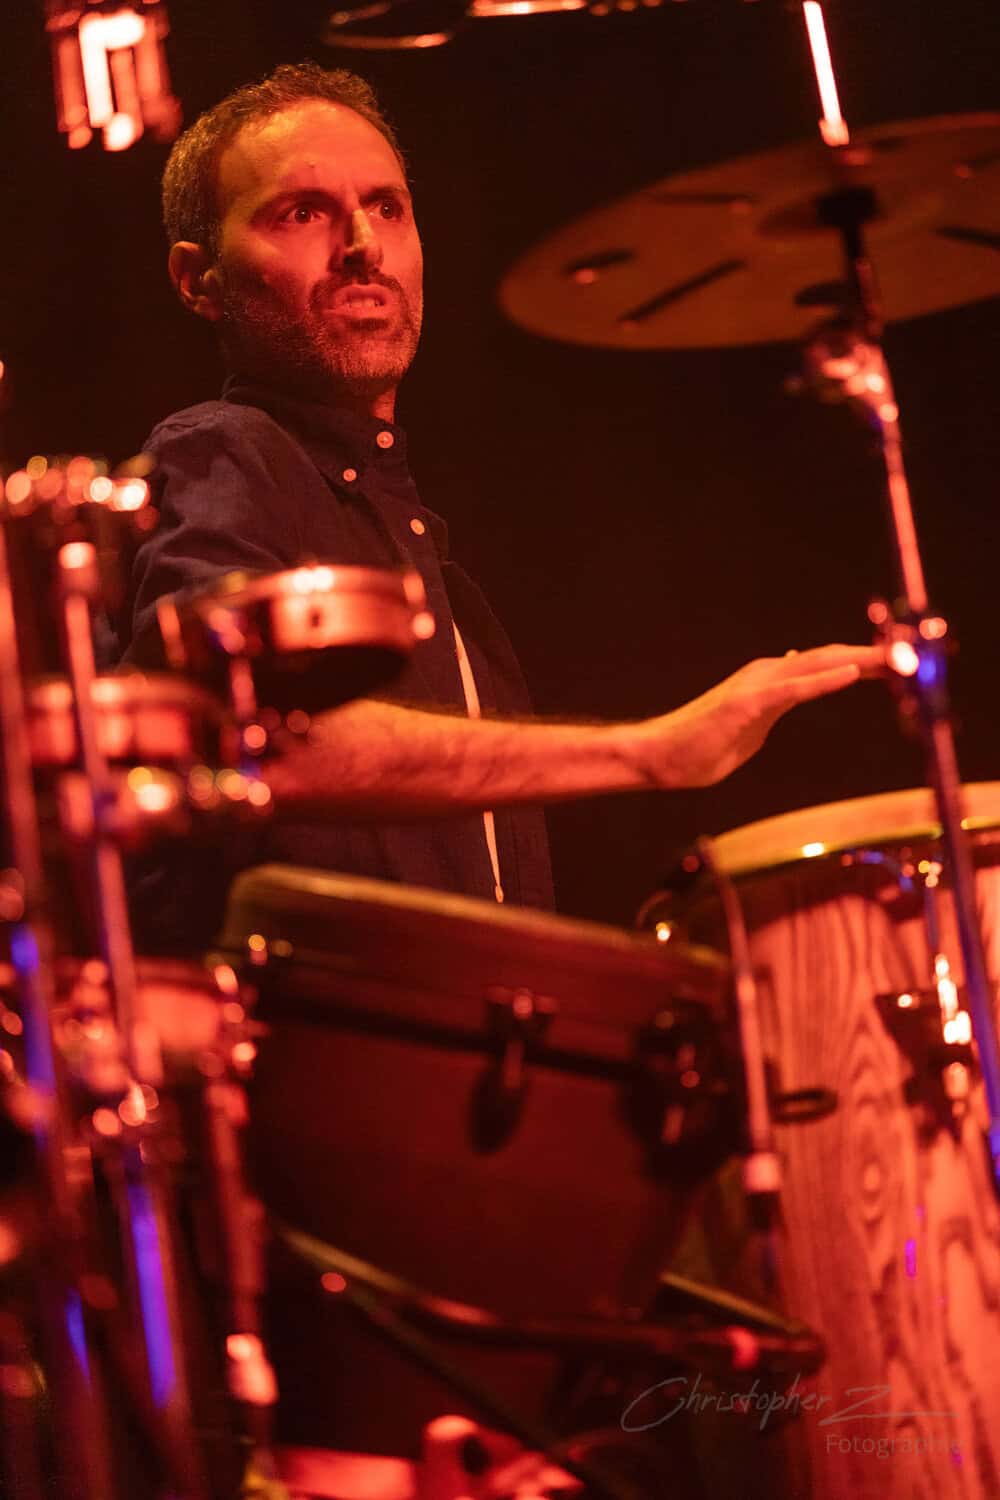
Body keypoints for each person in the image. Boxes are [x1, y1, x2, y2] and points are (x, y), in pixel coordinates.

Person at [118, 61, 880, 953]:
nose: (362, 245)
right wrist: (655, 751)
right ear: (197, 279)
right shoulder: (222, 449)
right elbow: (244, 741)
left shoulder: (438, 576)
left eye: (388, 207)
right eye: (302, 213)